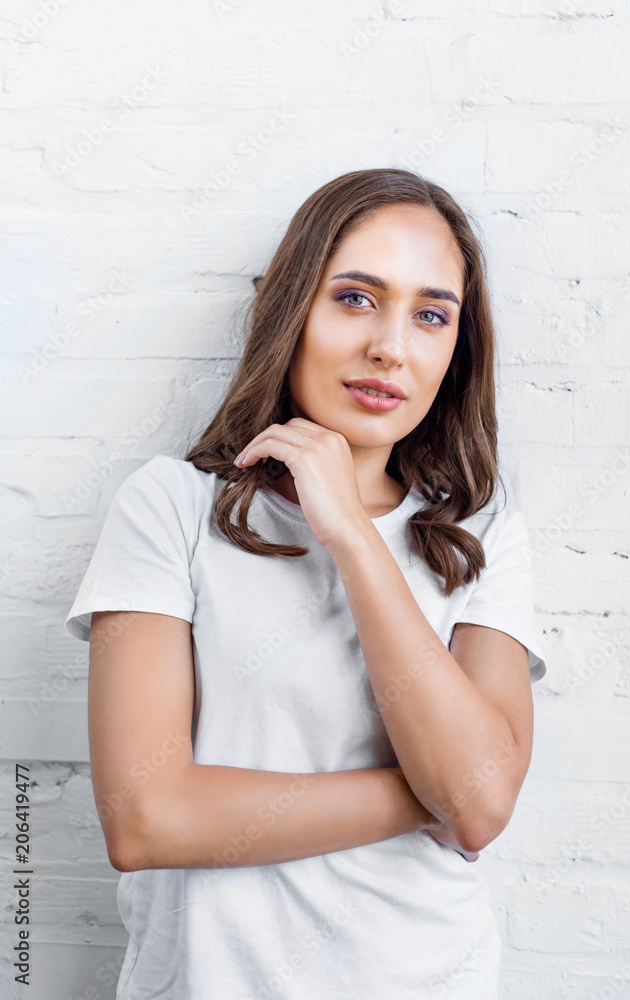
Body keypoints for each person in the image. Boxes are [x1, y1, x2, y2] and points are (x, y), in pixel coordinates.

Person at [65, 167, 547, 1000]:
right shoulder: (170, 508)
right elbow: (147, 822)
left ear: (454, 352)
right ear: (291, 310)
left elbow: (476, 806)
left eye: (431, 316)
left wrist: (354, 538)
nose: (390, 347)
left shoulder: (482, 535)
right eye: (355, 298)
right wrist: (436, 794)